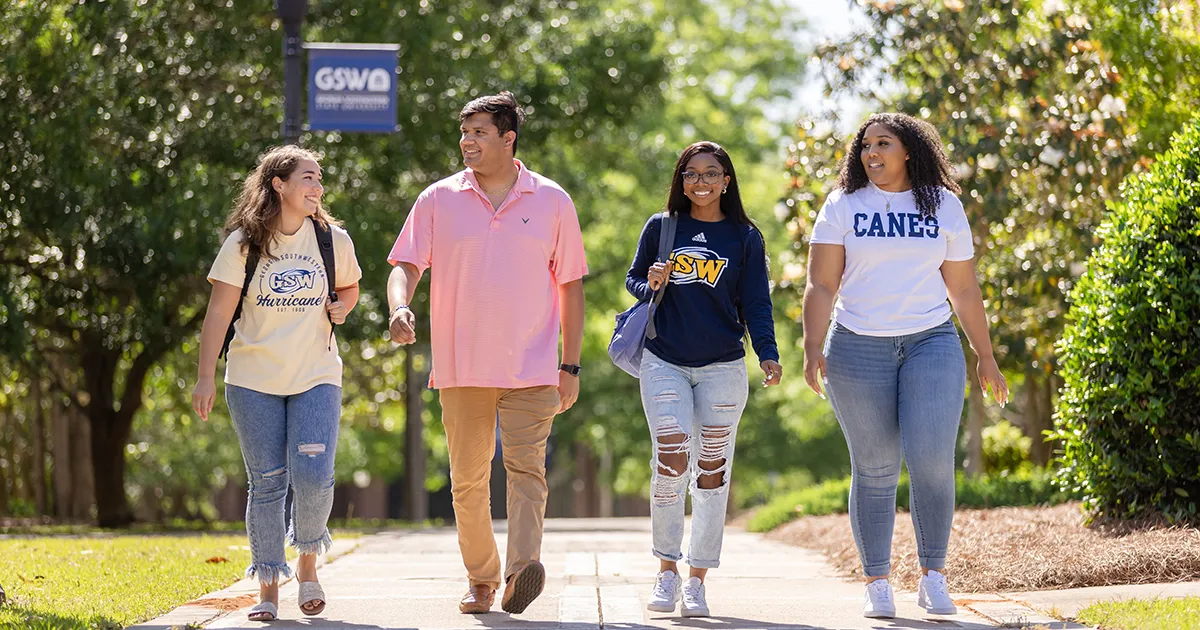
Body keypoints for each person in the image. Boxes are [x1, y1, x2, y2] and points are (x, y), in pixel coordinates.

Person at [386, 91, 587, 615]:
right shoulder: (437, 199)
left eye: (478, 132)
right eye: (464, 131)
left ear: (507, 137)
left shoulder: (553, 200)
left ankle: (522, 571)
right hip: (462, 366)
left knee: (528, 473)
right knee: (468, 481)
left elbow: (571, 286)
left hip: (534, 366)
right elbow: (405, 264)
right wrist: (399, 306)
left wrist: (570, 364)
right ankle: (482, 578)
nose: (467, 141)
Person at [801, 113, 1009, 619]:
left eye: (883, 144)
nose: (872, 153)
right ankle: (877, 581)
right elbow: (822, 283)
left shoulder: (943, 205)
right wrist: (811, 345)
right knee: (874, 470)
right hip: (857, 346)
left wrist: (986, 354)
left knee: (932, 461)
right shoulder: (843, 205)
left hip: (930, 343)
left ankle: (933, 576)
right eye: (866, 145)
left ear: (909, 150)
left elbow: (962, 288)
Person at [191, 145, 362, 621]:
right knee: (267, 483)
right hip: (251, 380)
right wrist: (205, 376)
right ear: (278, 185)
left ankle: (308, 567)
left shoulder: (331, 239)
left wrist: (344, 307)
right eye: (307, 178)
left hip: (316, 374)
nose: (317, 187)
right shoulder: (243, 244)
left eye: (319, 179)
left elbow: (350, 286)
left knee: (312, 475)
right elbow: (218, 315)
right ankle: (268, 588)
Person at [625, 141, 782, 618]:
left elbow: (756, 303)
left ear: (726, 181)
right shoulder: (662, 226)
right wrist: (650, 280)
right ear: (681, 180)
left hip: (723, 366)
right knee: (671, 456)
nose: (701, 182)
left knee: (711, 472)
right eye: (692, 174)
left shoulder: (744, 238)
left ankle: (697, 579)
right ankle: (666, 571)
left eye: (711, 173)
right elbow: (633, 283)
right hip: (665, 360)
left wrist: (768, 354)